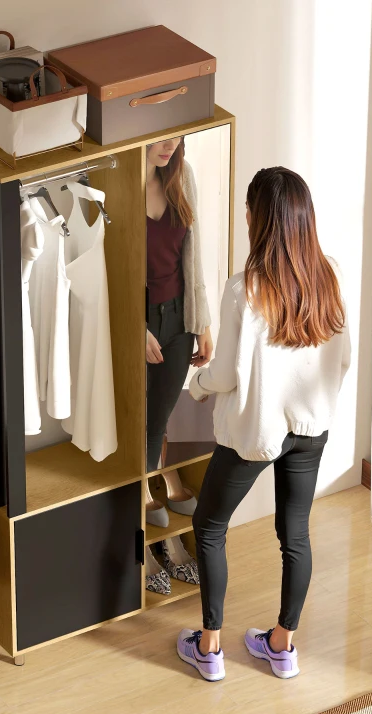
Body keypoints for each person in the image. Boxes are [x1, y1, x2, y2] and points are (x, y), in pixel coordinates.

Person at [176, 167, 351, 682]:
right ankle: (282, 645)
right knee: (294, 534)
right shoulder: (331, 275)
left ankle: (208, 648)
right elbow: (343, 358)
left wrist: (197, 384)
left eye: (249, 211)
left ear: (260, 220)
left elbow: (227, 373)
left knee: (209, 527)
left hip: (256, 433)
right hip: (311, 429)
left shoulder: (243, 289)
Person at [145, 137, 213, 521]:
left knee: (161, 414)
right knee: (140, 419)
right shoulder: (118, 188)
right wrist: (133, 328)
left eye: (177, 136)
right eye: (160, 136)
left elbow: (194, 254)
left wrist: (201, 322)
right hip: (140, 321)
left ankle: (160, 477)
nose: (170, 145)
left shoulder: (182, 176)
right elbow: (112, 270)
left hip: (179, 319)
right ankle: (146, 489)